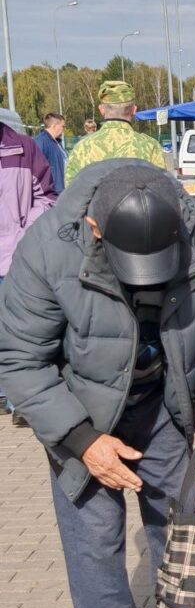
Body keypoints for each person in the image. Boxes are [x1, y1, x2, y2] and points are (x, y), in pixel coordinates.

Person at [0, 160, 195, 608]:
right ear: (94, 228)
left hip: (165, 405)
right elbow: (21, 362)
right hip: (81, 411)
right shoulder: (47, 249)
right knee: (94, 545)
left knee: (181, 530)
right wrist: (82, 441)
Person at [0, 117, 57, 426]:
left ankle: (20, 400)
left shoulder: (24, 148)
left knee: (22, 333)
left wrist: (26, 236)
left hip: (17, 259)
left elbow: (46, 197)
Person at [65, 81, 166, 187]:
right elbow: (163, 188)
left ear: (101, 110)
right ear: (134, 110)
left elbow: (71, 192)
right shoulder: (150, 146)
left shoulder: (81, 148)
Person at [34, 112, 67, 193]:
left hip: (61, 189)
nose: (64, 129)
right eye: (63, 126)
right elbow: (36, 169)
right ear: (54, 126)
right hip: (52, 191)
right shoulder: (41, 142)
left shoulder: (56, 142)